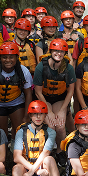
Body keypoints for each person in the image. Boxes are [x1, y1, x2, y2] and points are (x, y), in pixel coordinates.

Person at [33, 39, 76, 167]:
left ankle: (60, 152)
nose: (59, 54)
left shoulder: (68, 68)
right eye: (56, 51)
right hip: (44, 98)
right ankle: (48, 152)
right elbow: (38, 92)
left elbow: (70, 91)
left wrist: (63, 110)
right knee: (51, 125)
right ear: (51, 51)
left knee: (60, 125)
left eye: (61, 52)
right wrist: (49, 112)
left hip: (60, 99)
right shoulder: (41, 66)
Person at [0, 42, 33, 136]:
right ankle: (3, 147)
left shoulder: (23, 71)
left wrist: (26, 116)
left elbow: (28, 94)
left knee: (19, 130)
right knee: (1, 133)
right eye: (4, 57)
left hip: (16, 102)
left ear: (17, 58)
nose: (8, 60)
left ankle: (15, 144)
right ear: (0, 58)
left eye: (11, 57)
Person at [12, 100, 60, 176]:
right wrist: (35, 170)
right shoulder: (21, 131)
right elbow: (16, 157)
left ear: (45, 115)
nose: (38, 117)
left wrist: (34, 170)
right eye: (35, 114)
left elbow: (46, 153)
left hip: (43, 168)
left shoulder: (50, 132)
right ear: (30, 115)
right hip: (27, 168)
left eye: (41, 114)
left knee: (50, 159)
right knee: (16, 168)